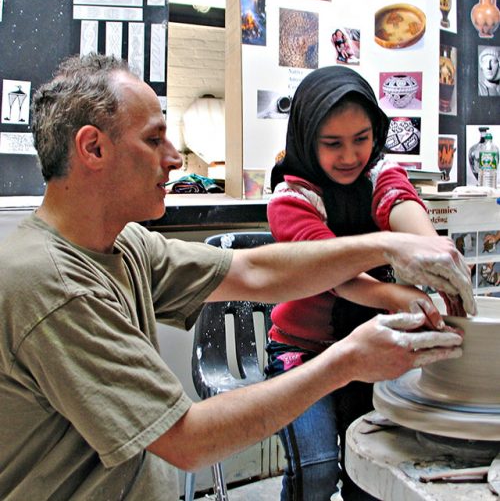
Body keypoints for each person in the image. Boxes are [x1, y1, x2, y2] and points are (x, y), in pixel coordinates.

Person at [0, 54, 474, 501]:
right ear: (93, 148)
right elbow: (188, 440)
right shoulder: (55, 287)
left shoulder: (123, 244)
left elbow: (255, 270)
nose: (175, 158)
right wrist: (347, 361)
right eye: (153, 140)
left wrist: (391, 245)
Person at [266, 65, 472, 501]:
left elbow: (400, 204)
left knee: (373, 471)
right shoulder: (290, 200)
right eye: (333, 143)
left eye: (361, 139)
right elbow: (334, 275)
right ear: (306, 138)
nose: (349, 156)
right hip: (305, 350)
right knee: (317, 471)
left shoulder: (381, 174)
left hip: (375, 344)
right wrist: (395, 293)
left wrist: (435, 253)